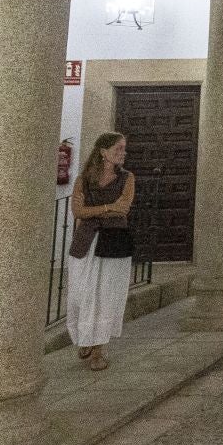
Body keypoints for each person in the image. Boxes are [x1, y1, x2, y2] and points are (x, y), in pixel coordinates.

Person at [67, 131, 135, 371]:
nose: (122, 153)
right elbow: (78, 212)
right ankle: (84, 337)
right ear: (103, 152)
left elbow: (123, 209)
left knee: (107, 295)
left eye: (124, 148)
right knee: (81, 293)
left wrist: (94, 209)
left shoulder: (127, 178)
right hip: (85, 241)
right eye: (118, 148)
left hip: (114, 241)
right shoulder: (83, 179)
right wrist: (108, 207)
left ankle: (98, 349)